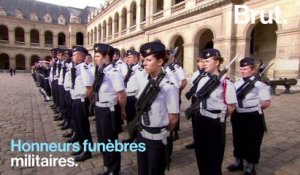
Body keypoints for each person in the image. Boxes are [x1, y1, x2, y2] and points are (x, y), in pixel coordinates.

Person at [136, 41, 179, 175]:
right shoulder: (144, 80)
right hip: (142, 134)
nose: (144, 63)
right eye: (144, 60)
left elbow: (173, 118)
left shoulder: (169, 86)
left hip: (157, 139)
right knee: (142, 170)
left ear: (160, 61)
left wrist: (161, 132)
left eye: (149, 60)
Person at [192, 48, 237, 175]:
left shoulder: (226, 82)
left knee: (214, 157)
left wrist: (218, 116)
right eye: (203, 61)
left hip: (215, 122)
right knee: (201, 154)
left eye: (207, 61)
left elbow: (232, 106)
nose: (204, 63)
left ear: (217, 62)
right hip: (200, 118)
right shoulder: (202, 79)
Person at [227, 57, 271, 175]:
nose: (242, 71)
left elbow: (266, 103)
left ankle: (251, 165)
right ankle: (238, 162)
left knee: (253, 141)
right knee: (238, 139)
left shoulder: (260, 85)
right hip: (237, 115)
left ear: (253, 70)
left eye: (245, 68)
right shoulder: (237, 84)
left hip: (253, 117)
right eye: (241, 68)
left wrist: (252, 108)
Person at [92, 43, 127, 175]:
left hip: (109, 110)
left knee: (110, 141)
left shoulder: (114, 72)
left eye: (97, 56)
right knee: (102, 140)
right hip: (100, 109)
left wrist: (122, 111)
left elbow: (122, 95)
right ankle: (107, 165)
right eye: (94, 56)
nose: (95, 58)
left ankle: (114, 169)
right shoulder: (101, 70)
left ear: (107, 57)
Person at [69, 46, 94, 162]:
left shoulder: (84, 68)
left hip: (82, 101)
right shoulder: (77, 68)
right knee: (78, 126)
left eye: (74, 55)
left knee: (83, 127)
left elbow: (89, 88)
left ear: (80, 56)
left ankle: (87, 151)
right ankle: (82, 147)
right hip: (76, 100)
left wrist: (90, 103)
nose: (72, 57)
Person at [122, 49, 145, 143]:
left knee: (135, 119)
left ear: (136, 58)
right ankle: (132, 137)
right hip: (128, 97)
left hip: (134, 98)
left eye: (129, 57)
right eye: (127, 57)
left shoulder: (139, 70)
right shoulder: (130, 69)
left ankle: (137, 138)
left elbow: (142, 86)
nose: (127, 59)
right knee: (129, 119)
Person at [185, 54, 206, 149]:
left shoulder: (209, 74)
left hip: (203, 99)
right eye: (201, 61)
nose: (203, 63)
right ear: (197, 63)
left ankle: (203, 141)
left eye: (204, 61)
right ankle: (196, 140)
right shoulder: (196, 74)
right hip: (195, 98)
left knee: (203, 121)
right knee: (195, 121)